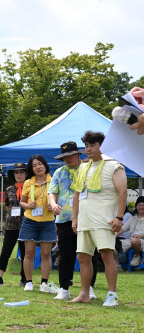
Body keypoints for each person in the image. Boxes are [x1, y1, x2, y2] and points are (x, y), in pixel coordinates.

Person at [70, 131, 127, 307]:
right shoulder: (83, 167)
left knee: (106, 256)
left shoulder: (114, 165)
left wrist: (119, 217)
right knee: (82, 257)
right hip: (85, 219)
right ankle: (84, 293)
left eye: (92, 145)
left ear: (102, 146)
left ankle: (112, 295)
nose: (88, 149)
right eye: (86, 145)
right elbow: (77, 195)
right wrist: (74, 218)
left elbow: (123, 192)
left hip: (105, 219)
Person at [48, 142, 97, 300]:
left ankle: (89, 288)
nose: (68, 159)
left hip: (86, 217)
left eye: (70, 156)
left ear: (78, 155)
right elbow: (52, 192)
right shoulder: (59, 172)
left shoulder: (88, 169)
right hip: (64, 219)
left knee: (89, 254)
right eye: (64, 157)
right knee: (65, 254)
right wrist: (54, 204)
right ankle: (64, 288)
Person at [18, 155, 58, 293]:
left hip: (48, 221)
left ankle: (44, 283)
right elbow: (22, 202)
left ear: (45, 165)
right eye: (34, 165)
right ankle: (28, 282)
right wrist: (28, 205)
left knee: (46, 254)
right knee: (29, 252)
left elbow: (60, 200)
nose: (38, 167)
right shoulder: (28, 183)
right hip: (30, 221)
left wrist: (53, 206)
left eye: (40, 164)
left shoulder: (53, 180)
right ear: (31, 169)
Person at [0, 163, 27, 287]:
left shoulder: (30, 187)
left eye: (21, 172)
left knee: (25, 253)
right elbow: (7, 205)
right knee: (5, 252)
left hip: (26, 225)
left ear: (26, 174)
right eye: (17, 172)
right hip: (11, 225)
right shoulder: (9, 189)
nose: (19, 175)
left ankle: (25, 278)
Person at [117, 196, 144, 267]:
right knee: (113, 243)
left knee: (134, 240)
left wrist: (140, 236)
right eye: (139, 205)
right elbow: (122, 229)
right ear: (136, 206)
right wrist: (112, 236)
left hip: (141, 240)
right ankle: (117, 265)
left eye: (143, 205)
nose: (141, 207)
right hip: (131, 240)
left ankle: (137, 255)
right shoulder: (133, 218)